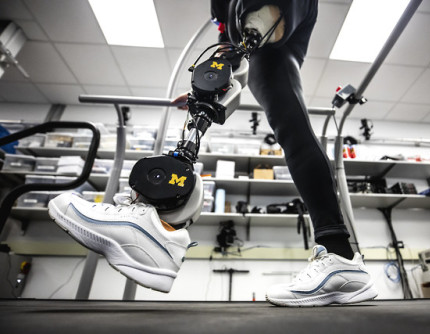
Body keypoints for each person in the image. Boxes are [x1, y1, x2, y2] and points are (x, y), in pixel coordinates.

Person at [48, 0, 377, 306]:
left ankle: (340, 258)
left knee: (287, 117)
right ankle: (155, 220)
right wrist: (205, 88)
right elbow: (225, 48)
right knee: (236, 88)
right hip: (250, 40)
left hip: (276, 24)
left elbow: (247, 35)